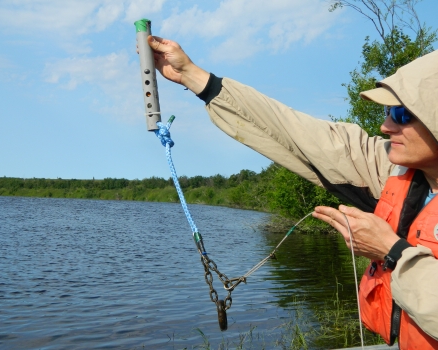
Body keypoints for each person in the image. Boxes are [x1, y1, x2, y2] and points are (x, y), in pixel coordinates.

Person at [143, 35, 438, 348]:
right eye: (390, 112)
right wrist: (190, 73)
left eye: (403, 115)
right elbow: (295, 131)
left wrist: (392, 252)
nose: (386, 126)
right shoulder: (391, 168)